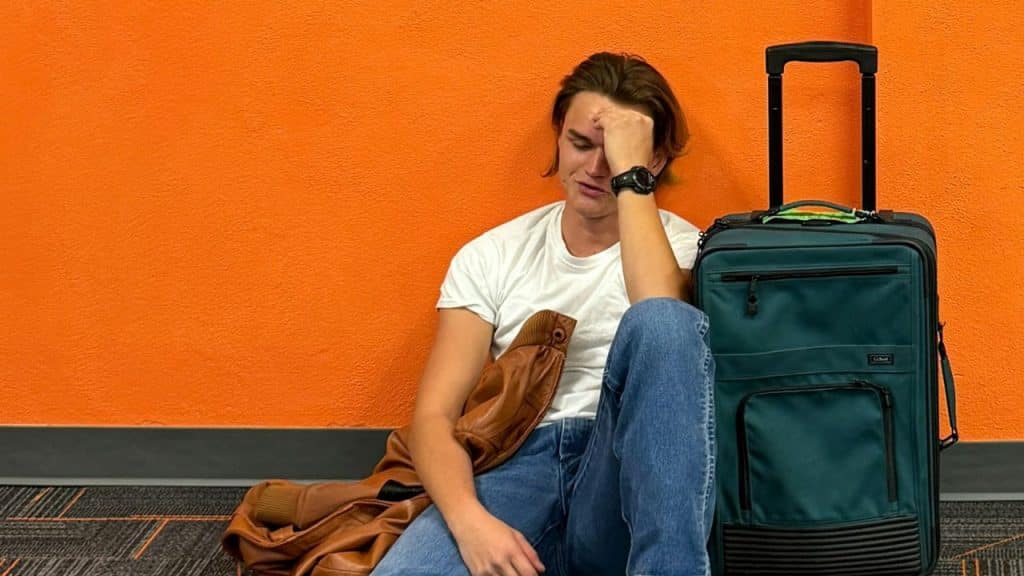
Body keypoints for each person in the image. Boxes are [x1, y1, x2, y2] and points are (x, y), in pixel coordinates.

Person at [371, 52, 716, 576]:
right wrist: (469, 523)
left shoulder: (689, 250)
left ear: (656, 161)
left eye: (616, 156)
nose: (595, 169)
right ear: (558, 137)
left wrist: (633, 181)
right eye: (580, 144)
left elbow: (662, 318)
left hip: (627, 474)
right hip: (518, 462)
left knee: (666, 323)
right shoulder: (492, 255)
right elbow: (434, 417)